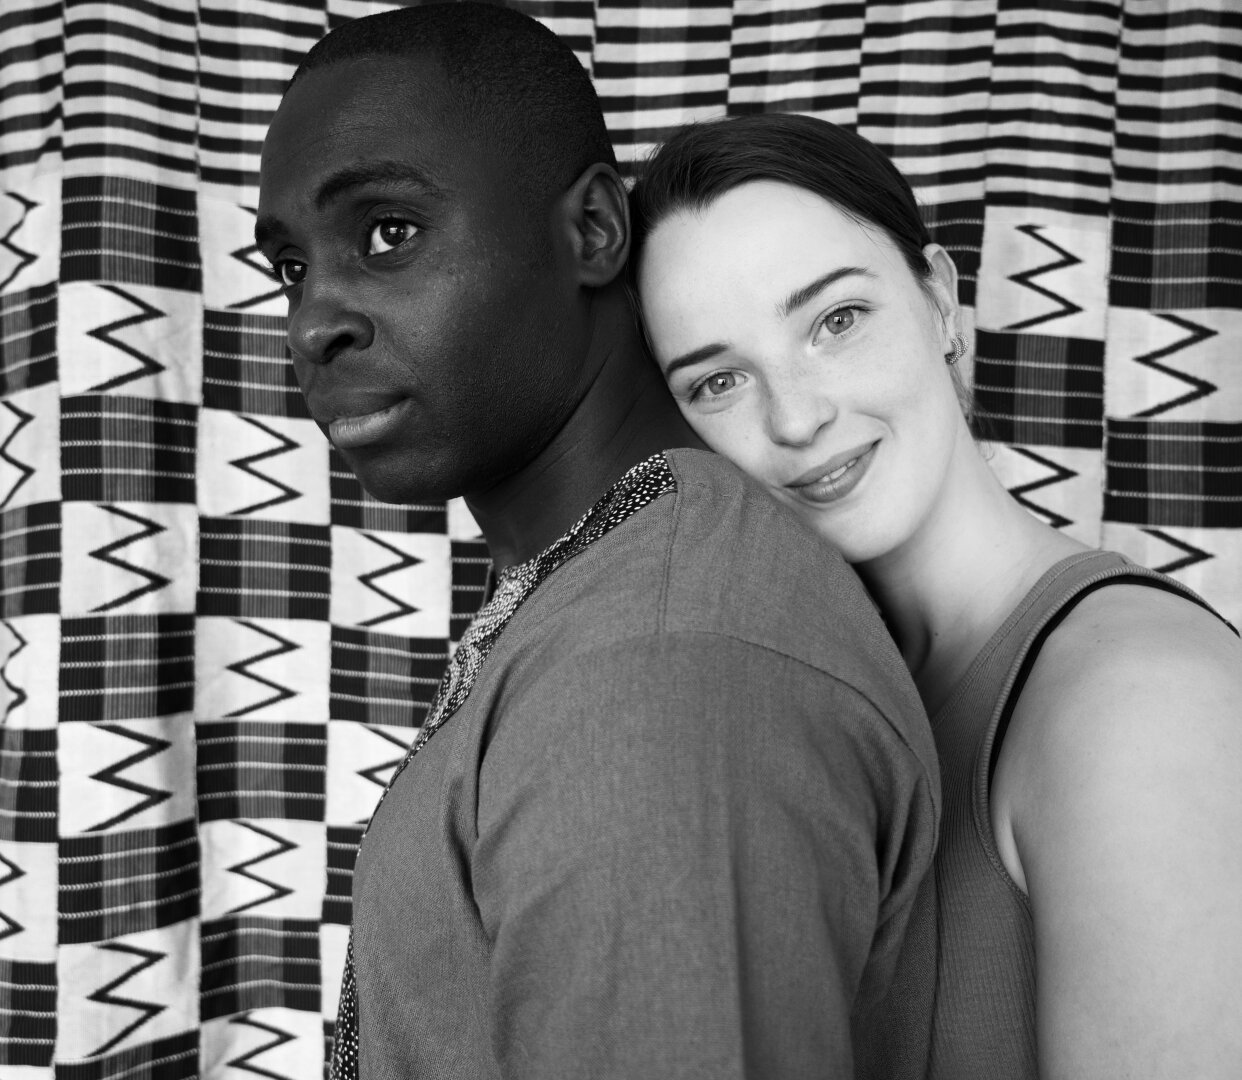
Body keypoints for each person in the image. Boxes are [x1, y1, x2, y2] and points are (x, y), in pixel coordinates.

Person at [256, 7, 940, 1079]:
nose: (310, 324)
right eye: (290, 269)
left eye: (388, 232)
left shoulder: (669, 654)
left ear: (592, 231)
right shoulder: (612, 589)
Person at [630, 112, 1242, 1080]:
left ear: (941, 302)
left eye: (836, 320)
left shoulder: (1139, 700)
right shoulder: (807, 708)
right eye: (719, 381)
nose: (796, 416)